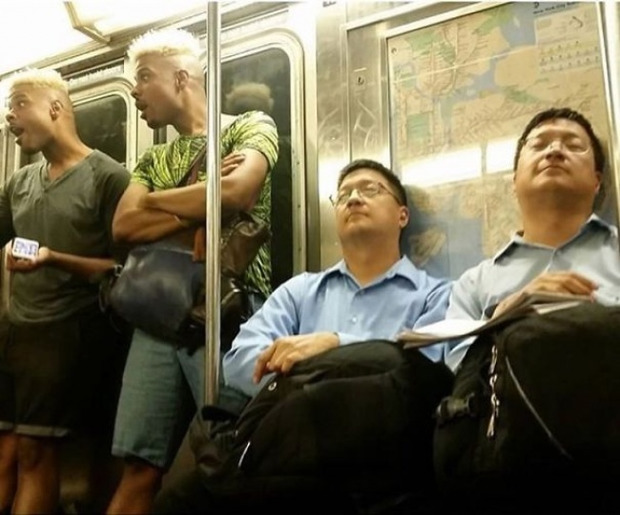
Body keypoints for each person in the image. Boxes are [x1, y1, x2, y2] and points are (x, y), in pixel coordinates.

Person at [152, 158, 452, 512]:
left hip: (382, 458)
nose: (354, 199)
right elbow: (240, 361)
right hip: (293, 451)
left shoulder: (436, 295)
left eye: (370, 189)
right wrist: (316, 370)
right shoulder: (300, 292)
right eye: (343, 195)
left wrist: (334, 345)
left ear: (402, 216)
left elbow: (430, 370)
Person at [106, 28, 278, 514]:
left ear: (181, 78)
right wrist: (198, 207)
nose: (135, 91)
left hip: (227, 308)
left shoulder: (249, 127)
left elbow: (237, 192)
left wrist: (156, 202)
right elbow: (124, 224)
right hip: (157, 314)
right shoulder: (153, 157)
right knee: (138, 467)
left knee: (229, 458)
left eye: (144, 77)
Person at [0, 68, 130, 514]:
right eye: (8, 108)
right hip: (18, 330)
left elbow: (123, 267)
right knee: (8, 450)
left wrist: (54, 258)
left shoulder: (108, 177)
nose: (10, 117)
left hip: (70, 332)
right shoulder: (18, 183)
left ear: (55, 108)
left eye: (19, 103)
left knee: (37, 453)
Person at [445, 107, 620, 371]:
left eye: (574, 146)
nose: (555, 151)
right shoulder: (473, 286)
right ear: (515, 181)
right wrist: (507, 316)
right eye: (539, 145)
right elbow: (459, 374)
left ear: (597, 181)